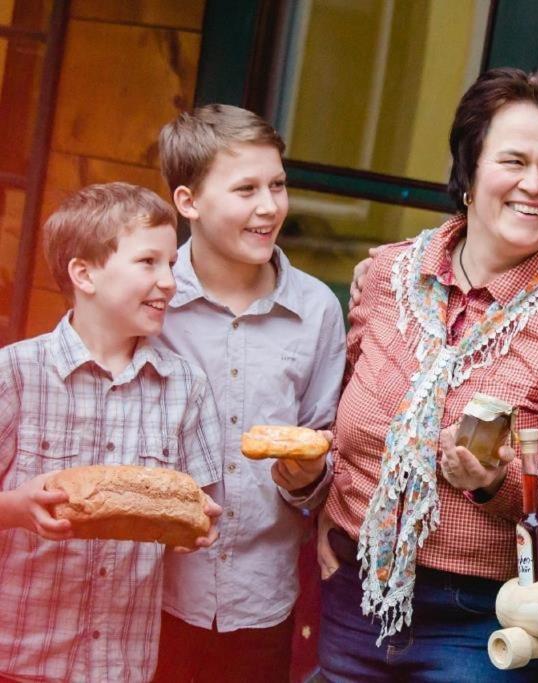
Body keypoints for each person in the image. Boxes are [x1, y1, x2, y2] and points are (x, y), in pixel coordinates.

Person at [317, 68, 538, 682]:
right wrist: (328, 507)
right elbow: (348, 425)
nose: (534, 186)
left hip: (482, 618)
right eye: (514, 161)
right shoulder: (388, 277)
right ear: (470, 169)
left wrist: (492, 483)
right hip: (354, 592)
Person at [151, 105, 347, 683]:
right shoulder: (150, 299)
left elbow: (324, 451)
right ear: (188, 202)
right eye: (246, 189)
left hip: (262, 603)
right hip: (149, 594)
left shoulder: (315, 312)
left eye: (278, 185)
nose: (270, 206)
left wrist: (310, 477)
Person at [0, 182, 222, 682]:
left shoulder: (186, 387)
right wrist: (15, 508)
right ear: (85, 273)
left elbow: (204, 512)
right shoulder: (14, 373)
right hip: (16, 658)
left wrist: (198, 526)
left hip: (119, 667)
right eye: (148, 263)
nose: (169, 281)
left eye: (171, 264)